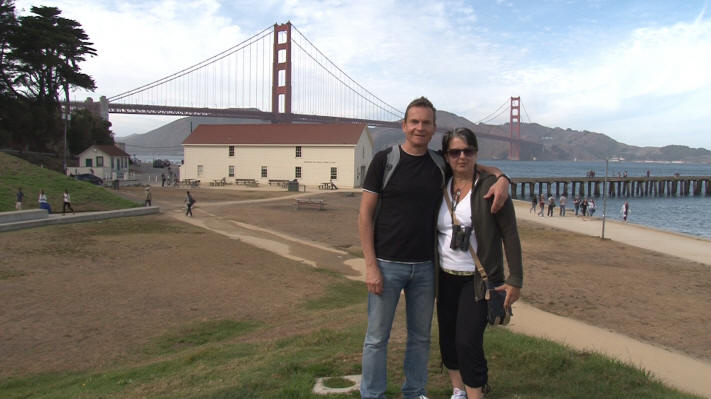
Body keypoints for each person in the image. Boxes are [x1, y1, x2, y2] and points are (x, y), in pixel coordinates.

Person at [358, 97, 510, 399]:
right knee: (376, 338)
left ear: (433, 128)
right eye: (414, 122)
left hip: (426, 268)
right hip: (387, 264)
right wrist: (371, 265)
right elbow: (364, 215)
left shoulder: (440, 163)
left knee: (420, 338)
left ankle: (413, 392)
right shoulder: (384, 160)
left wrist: (503, 178)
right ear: (404, 126)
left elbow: (475, 167)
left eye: (426, 123)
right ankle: (372, 395)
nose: (419, 127)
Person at [436, 128, 523, 399]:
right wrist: (502, 173)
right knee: (447, 340)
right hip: (444, 277)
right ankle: (458, 390)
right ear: (446, 156)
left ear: (476, 153)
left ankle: (476, 393)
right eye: (455, 152)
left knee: (468, 342)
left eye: (468, 151)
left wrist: (515, 279)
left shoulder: (489, 188)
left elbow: (510, 233)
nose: (462, 157)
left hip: (478, 280)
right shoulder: (440, 182)